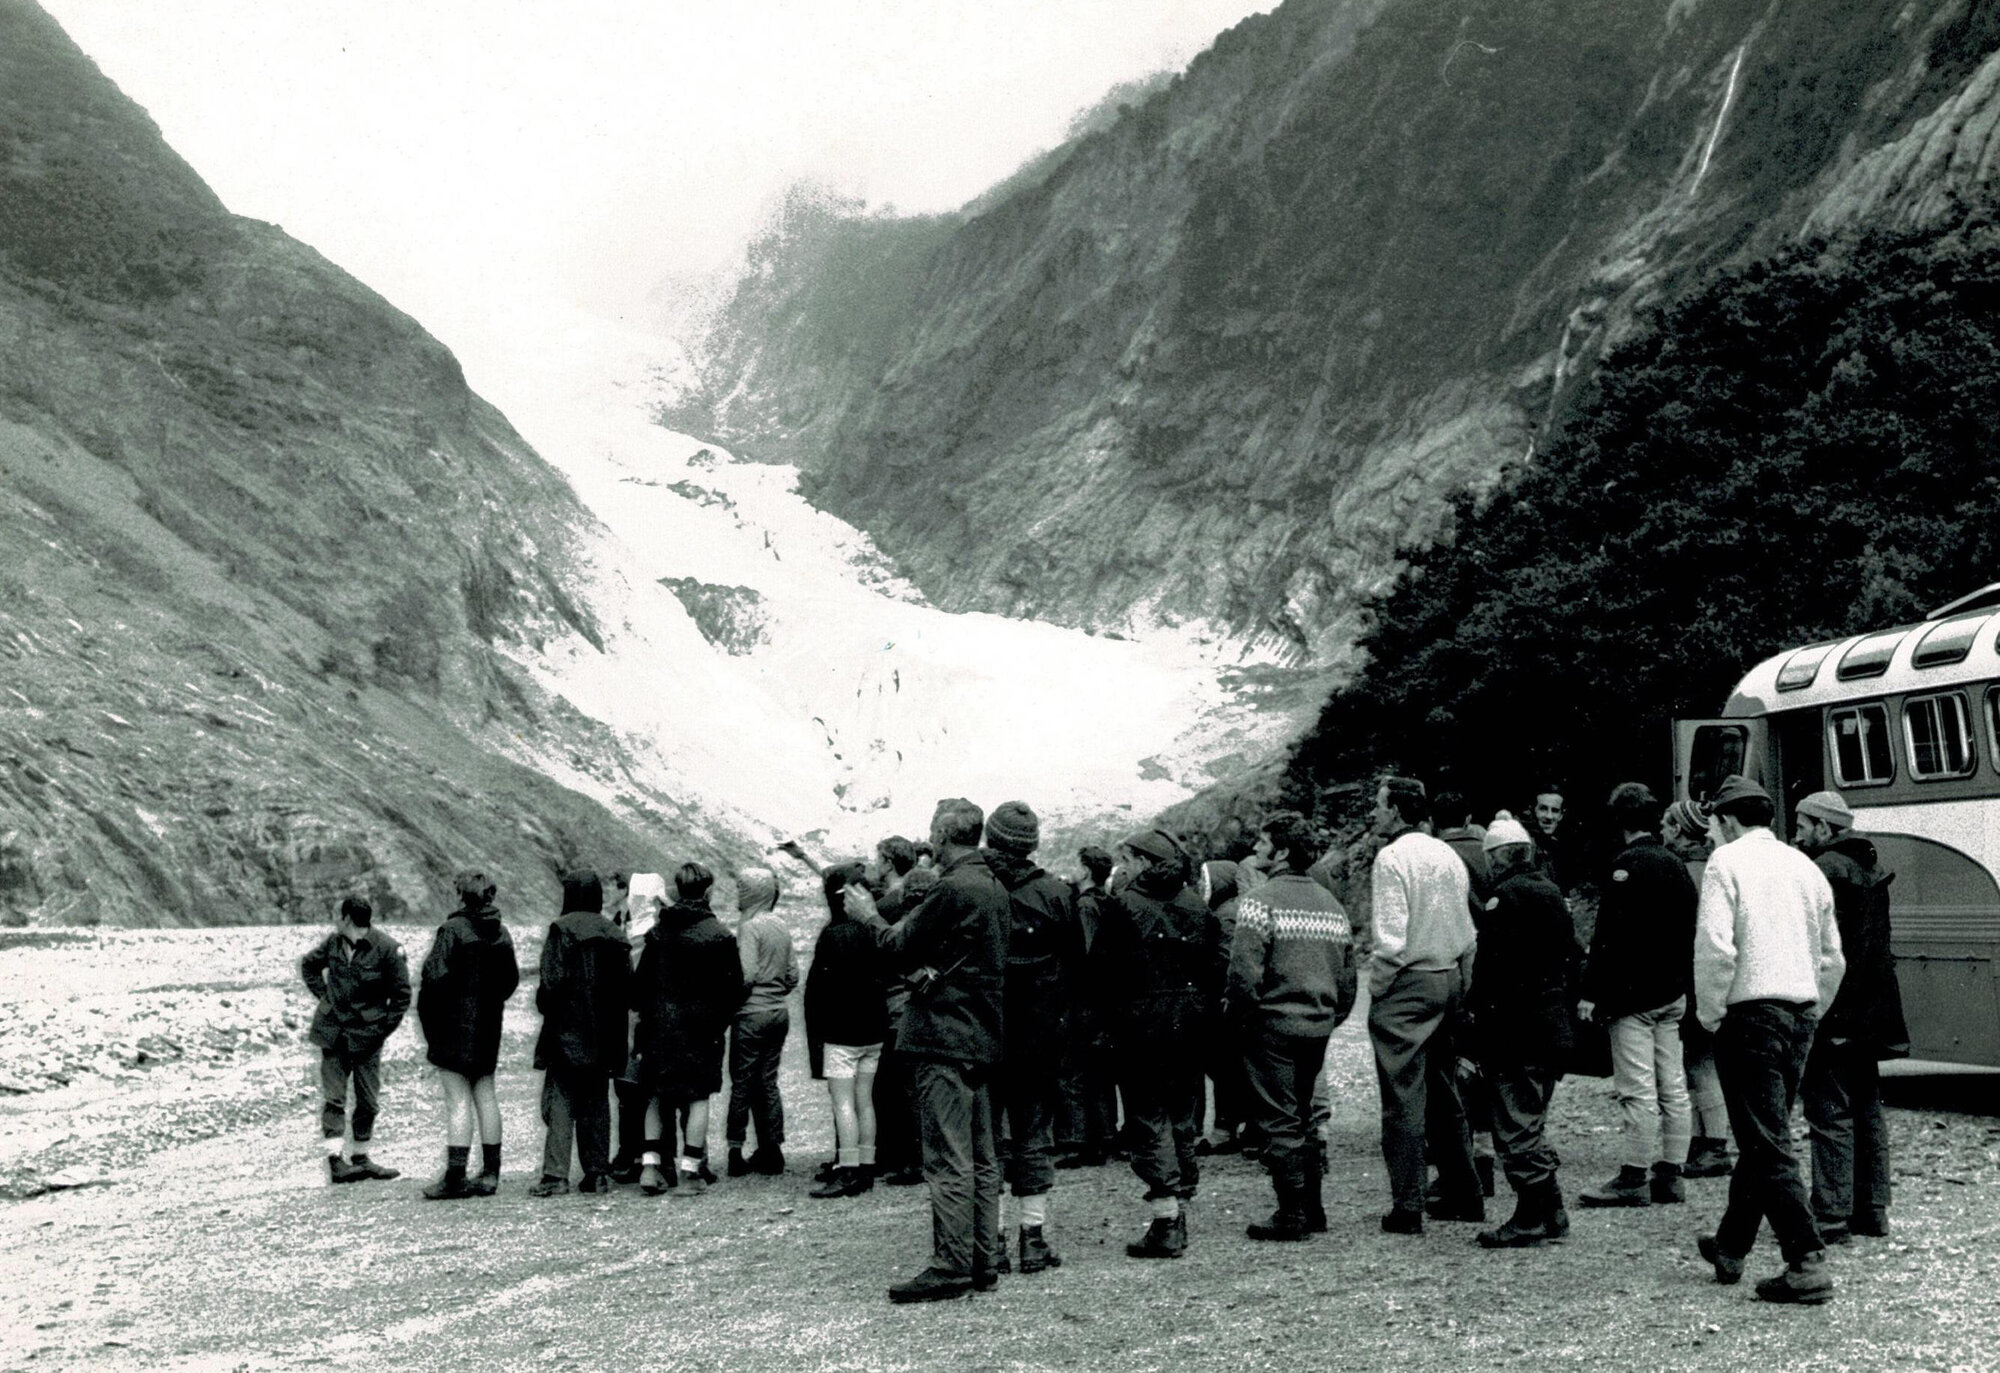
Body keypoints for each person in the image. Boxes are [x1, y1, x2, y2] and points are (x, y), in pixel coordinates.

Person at [1693, 775, 1846, 1303]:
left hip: (1749, 1014)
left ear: (1728, 820)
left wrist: (1712, 1013)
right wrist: (1813, 1007)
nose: (1711, 835)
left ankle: (1806, 1259)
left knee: (1765, 1141)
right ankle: (1732, 1244)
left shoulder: (1725, 864)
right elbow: (1832, 955)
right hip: (1799, 1012)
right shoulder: (1805, 866)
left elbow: (1716, 946)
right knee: (1768, 1133)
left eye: (1712, 825)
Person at [873, 798, 1010, 1304]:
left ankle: (951, 1264)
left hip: (943, 1036)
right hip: (981, 1033)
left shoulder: (952, 887)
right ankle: (983, 1259)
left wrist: (871, 917)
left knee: (948, 1157)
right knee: (981, 1154)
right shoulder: (993, 884)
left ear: (942, 832)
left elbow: (898, 945)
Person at [1227, 812, 1356, 1242]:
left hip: (1273, 1026)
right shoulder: (1332, 906)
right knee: (1302, 1116)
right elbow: (1349, 980)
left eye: (1263, 842)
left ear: (1281, 852)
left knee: (1278, 1120)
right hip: (1317, 1027)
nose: (1257, 849)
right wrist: (1328, 1018)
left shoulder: (1258, 902)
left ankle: (1292, 1212)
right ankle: (1312, 1207)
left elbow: (1243, 975)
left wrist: (1244, 1020)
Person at [1095, 829, 1223, 1259]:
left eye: (1127, 859)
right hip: (1190, 1024)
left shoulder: (1124, 906)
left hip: (1141, 1027)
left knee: (1148, 1119)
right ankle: (1178, 1208)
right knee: (1183, 1114)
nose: (1122, 868)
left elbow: (1103, 975)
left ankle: (1167, 1220)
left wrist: (1104, 1029)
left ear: (1146, 862)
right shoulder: (1196, 904)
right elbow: (1213, 967)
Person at [1367, 775, 1482, 1234]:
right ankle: (1465, 1192)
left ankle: (1408, 1205)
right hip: (1450, 976)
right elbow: (1468, 933)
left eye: (1378, 804)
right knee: (1444, 1092)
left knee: (1402, 1099)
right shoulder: (1446, 853)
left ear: (1396, 811)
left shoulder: (1392, 858)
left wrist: (1377, 989)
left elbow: (1390, 940)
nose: (1373, 813)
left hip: (1409, 982)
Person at [1577, 782, 1700, 1208]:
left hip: (1633, 996)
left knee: (1638, 1089)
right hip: (1673, 991)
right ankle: (1671, 1172)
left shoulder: (1625, 866)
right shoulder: (1676, 864)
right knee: (1673, 1085)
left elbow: (1608, 936)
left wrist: (1592, 991)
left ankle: (1633, 1176)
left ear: (1620, 821)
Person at [1793, 790, 1908, 1243]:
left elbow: (1820, 950)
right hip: (1872, 1012)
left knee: (1828, 1111)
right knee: (1866, 1108)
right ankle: (1872, 1209)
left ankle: (1832, 1215)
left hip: (1836, 1009)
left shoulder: (1823, 870)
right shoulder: (1869, 865)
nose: (1796, 834)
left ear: (1824, 828)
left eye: (1803, 826)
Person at [1468, 817, 1579, 1247]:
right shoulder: (1551, 891)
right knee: (1531, 1119)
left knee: (1515, 1125)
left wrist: (1475, 1020)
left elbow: (1492, 969)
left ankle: (1533, 1214)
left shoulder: (1504, 898)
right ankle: (1550, 1212)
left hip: (1516, 1029)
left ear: (1497, 856)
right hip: (1550, 1026)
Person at [982, 801, 1081, 1274]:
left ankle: (992, 1241)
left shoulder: (976, 888)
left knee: (989, 1138)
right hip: (1040, 1037)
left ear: (990, 839)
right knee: (1032, 1136)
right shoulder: (1057, 894)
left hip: (984, 1031)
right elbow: (1076, 966)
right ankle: (1033, 1238)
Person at [632, 862, 747, 1197]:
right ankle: (690, 1171)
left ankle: (651, 1167)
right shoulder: (720, 936)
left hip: (659, 1027)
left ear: (676, 890)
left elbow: (640, 987)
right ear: (708, 892)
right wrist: (718, 1021)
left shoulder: (658, 933)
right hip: (702, 1029)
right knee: (697, 1097)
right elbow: (734, 990)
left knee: (655, 1093)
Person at [417, 871, 521, 1199]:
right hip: (489, 1024)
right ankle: (491, 1173)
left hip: (453, 1026)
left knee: (458, 1100)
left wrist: (433, 1018)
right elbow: (510, 981)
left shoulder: (452, 930)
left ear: (462, 895)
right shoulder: (501, 933)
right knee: (486, 1095)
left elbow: (433, 978)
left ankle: (455, 1177)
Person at [530, 869, 630, 1197]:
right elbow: (627, 989)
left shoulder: (562, 929)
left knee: (561, 1101)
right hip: (606, 1035)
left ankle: (556, 1175)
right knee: (597, 1102)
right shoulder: (615, 933)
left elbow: (551, 985)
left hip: (567, 1031)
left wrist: (546, 1006)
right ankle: (597, 1174)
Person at [301, 895, 410, 1184]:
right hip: (333, 1032)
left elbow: (401, 997)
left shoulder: (387, 949)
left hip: (367, 1037)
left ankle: (361, 1157)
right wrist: (325, 997)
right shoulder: (333, 943)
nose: (333, 917)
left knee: (368, 1100)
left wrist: (380, 1030)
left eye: (336, 913)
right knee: (334, 1099)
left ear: (347, 917)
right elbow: (309, 966)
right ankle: (336, 1162)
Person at [804, 862, 890, 1198]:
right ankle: (866, 1167)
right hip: (873, 1028)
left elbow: (818, 990)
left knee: (843, 1103)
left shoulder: (832, 935)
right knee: (865, 1100)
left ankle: (849, 1168)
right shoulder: (871, 929)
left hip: (841, 1031)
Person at [1663, 800, 1733, 1178]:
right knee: (1702, 1060)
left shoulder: (1684, 871)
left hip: (1691, 975)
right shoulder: (1714, 865)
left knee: (1699, 1062)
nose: (1662, 830)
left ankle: (1714, 1145)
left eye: (1666, 824)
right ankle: (1705, 1140)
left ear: (1678, 830)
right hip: (1710, 974)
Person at [726, 867, 798, 1178]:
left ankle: (734, 1150)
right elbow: (793, 974)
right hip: (778, 1012)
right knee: (768, 1083)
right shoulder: (780, 924)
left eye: (742, 889)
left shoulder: (750, 927)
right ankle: (773, 1149)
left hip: (751, 1013)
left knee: (742, 1083)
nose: (738, 895)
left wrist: (732, 1001)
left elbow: (747, 974)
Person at [1056, 846, 1120, 1170]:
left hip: (1085, 1000)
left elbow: (1085, 955)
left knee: (1074, 1072)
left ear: (1085, 870)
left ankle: (1076, 1141)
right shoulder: (1109, 902)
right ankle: (1105, 1136)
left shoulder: (1085, 905)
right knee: (1100, 1073)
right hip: (1104, 999)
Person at [610, 871, 668, 1183]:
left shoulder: (637, 934)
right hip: (640, 1020)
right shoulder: (636, 930)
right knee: (640, 1091)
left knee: (632, 1090)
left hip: (636, 1019)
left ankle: (631, 1153)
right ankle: (643, 1154)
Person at [1195, 859, 1251, 1155]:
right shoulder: (1231, 909)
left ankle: (1224, 1130)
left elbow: (1226, 960)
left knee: (1225, 1067)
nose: (1202, 886)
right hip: (1228, 1000)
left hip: (1223, 1001)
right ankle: (1230, 1127)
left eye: (1206, 880)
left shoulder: (1226, 914)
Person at [1529, 785, 1570, 894]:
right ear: (1534, 810)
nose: (1549, 816)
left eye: (1555, 811)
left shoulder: (1554, 846)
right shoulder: (1524, 846)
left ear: (1561, 815)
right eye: (1543, 809)